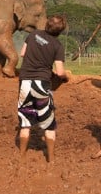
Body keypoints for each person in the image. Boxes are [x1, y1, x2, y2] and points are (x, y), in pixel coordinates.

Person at [17, 15, 68, 163]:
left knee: (25, 120)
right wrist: (65, 77)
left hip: (25, 81)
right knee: (49, 122)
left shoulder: (33, 35)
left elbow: (22, 53)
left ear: (47, 24)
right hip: (42, 84)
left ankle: (21, 157)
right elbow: (59, 72)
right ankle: (51, 159)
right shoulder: (58, 46)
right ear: (60, 31)